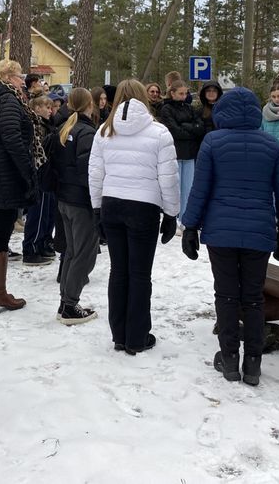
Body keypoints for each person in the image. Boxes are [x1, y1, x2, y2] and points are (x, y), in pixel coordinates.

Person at [180, 87, 279, 387]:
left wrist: (190, 226)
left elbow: (200, 188)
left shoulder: (213, 142)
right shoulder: (271, 145)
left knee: (227, 295)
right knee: (254, 298)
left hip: (221, 232)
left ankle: (229, 358)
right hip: (259, 231)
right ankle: (253, 364)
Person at [88, 79, 180, 355]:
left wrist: (96, 209)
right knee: (140, 274)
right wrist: (171, 213)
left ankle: (119, 334)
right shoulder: (159, 132)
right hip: (144, 207)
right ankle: (137, 336)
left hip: (113, 204)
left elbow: (95, 174)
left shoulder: (104, 131)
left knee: (119, 271)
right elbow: (168, 178)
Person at [0, 59, 41, 314]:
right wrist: (27, 171)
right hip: (2, 172)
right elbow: (12, 138)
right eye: (19, 75)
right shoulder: (8, 100)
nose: (23, 80)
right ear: (9, 77)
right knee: (0, 232)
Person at [46, 87, 99, 324]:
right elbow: (88, 171)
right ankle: (70, 304)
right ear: (90, 104)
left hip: (65, 199)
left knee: (72, 251)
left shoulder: (64, 128)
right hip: (80, 202)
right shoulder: (85, 132)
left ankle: (65, 301)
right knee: (83, 254)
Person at [157, 78, 205, 221]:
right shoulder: (166, 109)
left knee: (188, 188)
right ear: (172, 93)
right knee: (175, 188)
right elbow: (173, 131)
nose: (184, 96)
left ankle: (184, 217)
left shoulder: (189, 108)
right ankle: (174, 217)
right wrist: (189, 130)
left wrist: (186, 126)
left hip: (190, 153)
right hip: (175, 152)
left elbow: (200, 127)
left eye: (185, 93)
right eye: (181, 93)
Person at [23, 95, 57, 266]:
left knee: (48, 212)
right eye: (47, 107)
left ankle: (43, 241)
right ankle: (31, 246)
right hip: (39, 173)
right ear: (37, 108)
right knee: (38, 212)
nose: (50, 111)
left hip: (48, 173)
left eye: (51, 107)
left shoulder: (48, 125)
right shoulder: (35, 125)